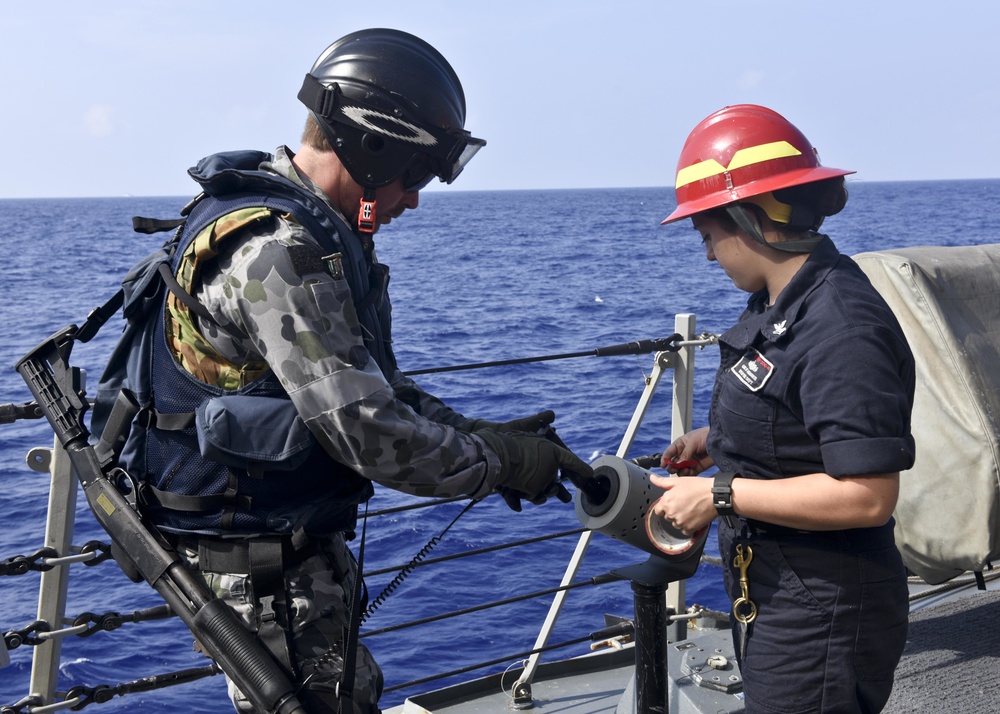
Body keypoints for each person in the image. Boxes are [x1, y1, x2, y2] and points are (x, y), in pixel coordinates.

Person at [91, 28, 591, 714]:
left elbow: (376, 388)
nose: (413, 199)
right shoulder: (279, 252)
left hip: (288, 546)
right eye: (412, 174)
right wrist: (502, 463)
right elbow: (370, 430)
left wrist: (484, 433)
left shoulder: (312, 231)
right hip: (263, 569)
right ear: (371, 147)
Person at [649, 104, 914, 713]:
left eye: (708, 235)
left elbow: (867, 495)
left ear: (747, 219)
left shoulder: (842, 325)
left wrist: (717, 494)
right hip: (776, 585)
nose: (710, 255)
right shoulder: (781, 301)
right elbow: (792, 411)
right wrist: (718, 439)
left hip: (824, 602)